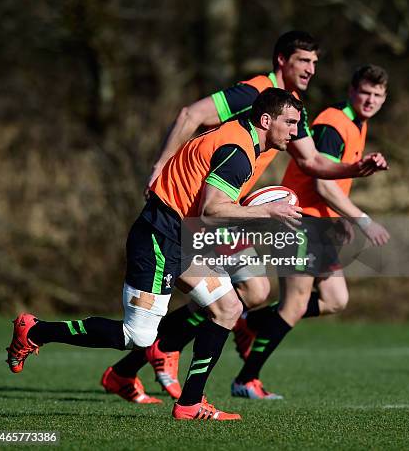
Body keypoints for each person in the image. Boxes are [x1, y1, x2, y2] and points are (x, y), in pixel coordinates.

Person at [101, 31, 388, 403]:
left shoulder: (292, 108)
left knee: (253, 292)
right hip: (199, 209)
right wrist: (161, 164)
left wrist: (355, 168)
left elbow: (313, 161)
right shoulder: (253, 92)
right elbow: (191, 114)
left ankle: (134, 366)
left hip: (224, 212)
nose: (311, 69)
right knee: (247, 296)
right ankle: (159, 354)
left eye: (315, 63)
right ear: (282, 60)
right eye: (304, 61)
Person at [6, 88, 303, 421]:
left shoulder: (238, 135)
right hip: (159, 239)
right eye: (290, 123)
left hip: (183, 238)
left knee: (228, 306)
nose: (295, 131)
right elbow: (212, 209)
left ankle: (191, 403)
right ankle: (35, 331)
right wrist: (268, 214)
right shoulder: (237, 152)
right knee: (138, 336)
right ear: (266, 120)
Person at [231, 64, 390, 399]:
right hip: (298, 219)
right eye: (365, 92)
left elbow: (336, 185)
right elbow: (321, 182)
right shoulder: (334, 123)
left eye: (378, 94)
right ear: (351, 90)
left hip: (320, 224)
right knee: (294, 305)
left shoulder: (358, 125)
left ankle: (251, 321)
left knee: (336, 299)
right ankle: (246, 379)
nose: (370, 99)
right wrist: (363, 220)